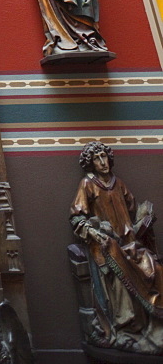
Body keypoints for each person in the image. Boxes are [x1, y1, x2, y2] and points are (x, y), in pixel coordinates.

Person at [70, 141, 163, 350]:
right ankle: (128, 327)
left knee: (154, 268)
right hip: (107, 246)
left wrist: (145, 218)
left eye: (104, 157)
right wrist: (94, 231)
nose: (102, 162)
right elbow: (77, 218)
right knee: (122, 278)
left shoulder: (118, 183)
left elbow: (133, 211)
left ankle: (153, 324)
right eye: (97, 158)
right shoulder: (88, 184)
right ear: (90, 163)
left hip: (131, 244)